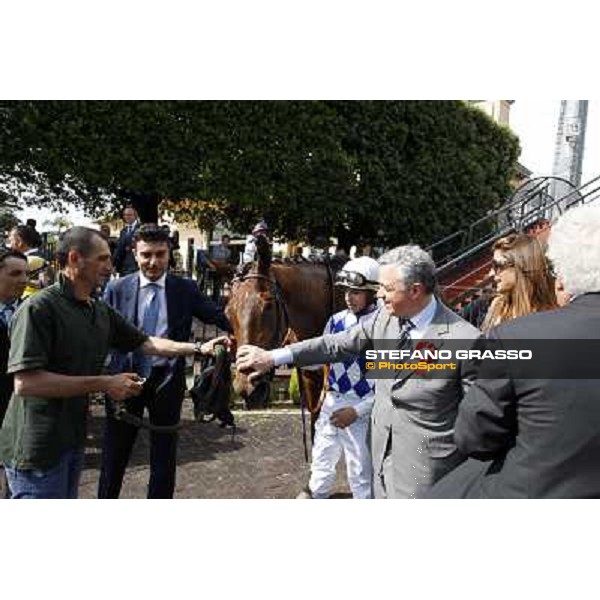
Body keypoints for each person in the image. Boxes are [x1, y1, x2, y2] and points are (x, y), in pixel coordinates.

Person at [236, 245, 480, 499]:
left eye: (386, 289)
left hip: (427, 477)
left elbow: (477, 426)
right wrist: (271, 357)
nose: (380, 296)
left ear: (415, 290)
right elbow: (335, 344)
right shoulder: (384, 320)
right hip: (380, 468)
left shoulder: (467, 341)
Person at [0, 226, 225, 499]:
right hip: (37, 448)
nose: (111, 265)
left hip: (71, 440)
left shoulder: (96, 308)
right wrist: (106, 383)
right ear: (74, 259)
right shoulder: (39, 308)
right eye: (102, 258)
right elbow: (27, 383)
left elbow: (146, 342)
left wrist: (200, 347)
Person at [428, 203, 600, 498]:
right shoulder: (499, 320)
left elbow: (475, 438)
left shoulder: (518, 337)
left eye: (500, 267)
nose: (493, 275)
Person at [98, 224, 231, 499]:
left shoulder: (185, 289)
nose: (153, 262)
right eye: (146, 254)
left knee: (164, 459)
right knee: (114, 457)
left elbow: (219, 316)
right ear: (135, 254)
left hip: (167, 380)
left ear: (170, 253)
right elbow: (101, 334)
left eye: (160, 254)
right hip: (125, 379)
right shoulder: (116, 288)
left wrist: (244, 331)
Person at [298, 257, 380, 499]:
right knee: (321, 462)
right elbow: (322, 358)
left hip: (362, 410)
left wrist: (356, 412)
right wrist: (296, 355)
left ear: (373, 293)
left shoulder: (383, 326)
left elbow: (387, 386)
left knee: (360, 474)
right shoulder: (335, 321)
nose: (349, 297)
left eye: (356, 292)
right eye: (347, 291)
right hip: (332, 403)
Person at [481, 232, 557, 332]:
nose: (491, 273)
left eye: (498, 266)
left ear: (521, 265)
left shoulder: (548, 317)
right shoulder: (497, 305)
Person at [0, 249, 27, 497]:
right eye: (15, 274)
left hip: (19, 405)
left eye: (25, 274)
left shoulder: (30, 311)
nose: (23, 280)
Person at [7, 224, 48, 297]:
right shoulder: (40, 256)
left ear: (19, 242)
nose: (10, 244)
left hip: (28, 300)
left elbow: (43, 284)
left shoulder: (33, 259)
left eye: (11, 241)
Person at [113, 205, 140, 276]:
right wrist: (114, 265)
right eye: (125, 215)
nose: (127, 217)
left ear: (135, 216)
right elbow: (119, 249)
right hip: (123, 267)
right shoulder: (123, 231)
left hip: (136, 266)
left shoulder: (141, 229)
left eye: (129, 215)